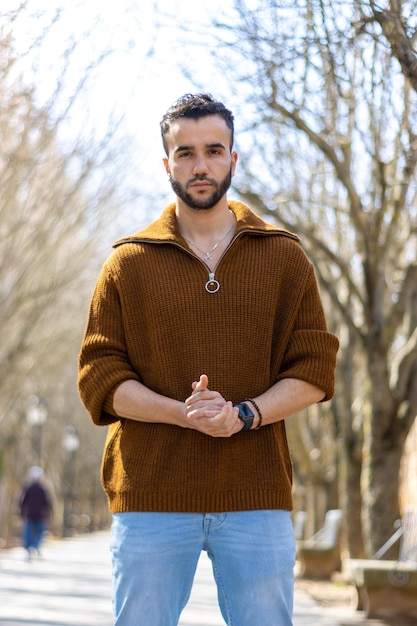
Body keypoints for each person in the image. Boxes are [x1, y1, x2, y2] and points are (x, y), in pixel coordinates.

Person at [78, 93, 339, 626]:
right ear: (166, 162)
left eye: (214, 151)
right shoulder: (127, 263)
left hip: (256, 493)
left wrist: (242, 415)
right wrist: (184, 413)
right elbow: (100, 377)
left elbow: (314, 368)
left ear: (233, 159)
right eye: (186, 153)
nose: (201, 166)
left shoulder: (284, 256)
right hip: (150, 493)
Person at [19, 466, 52, 560]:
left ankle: (29, 547)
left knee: (28, 532)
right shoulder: (43, 488)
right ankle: (35, 546)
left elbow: (22, 501)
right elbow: (47, 502)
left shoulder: (27, 488)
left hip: (29, 514)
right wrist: (50, 512)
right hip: (40, 515)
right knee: (40, 532)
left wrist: (21, 512)